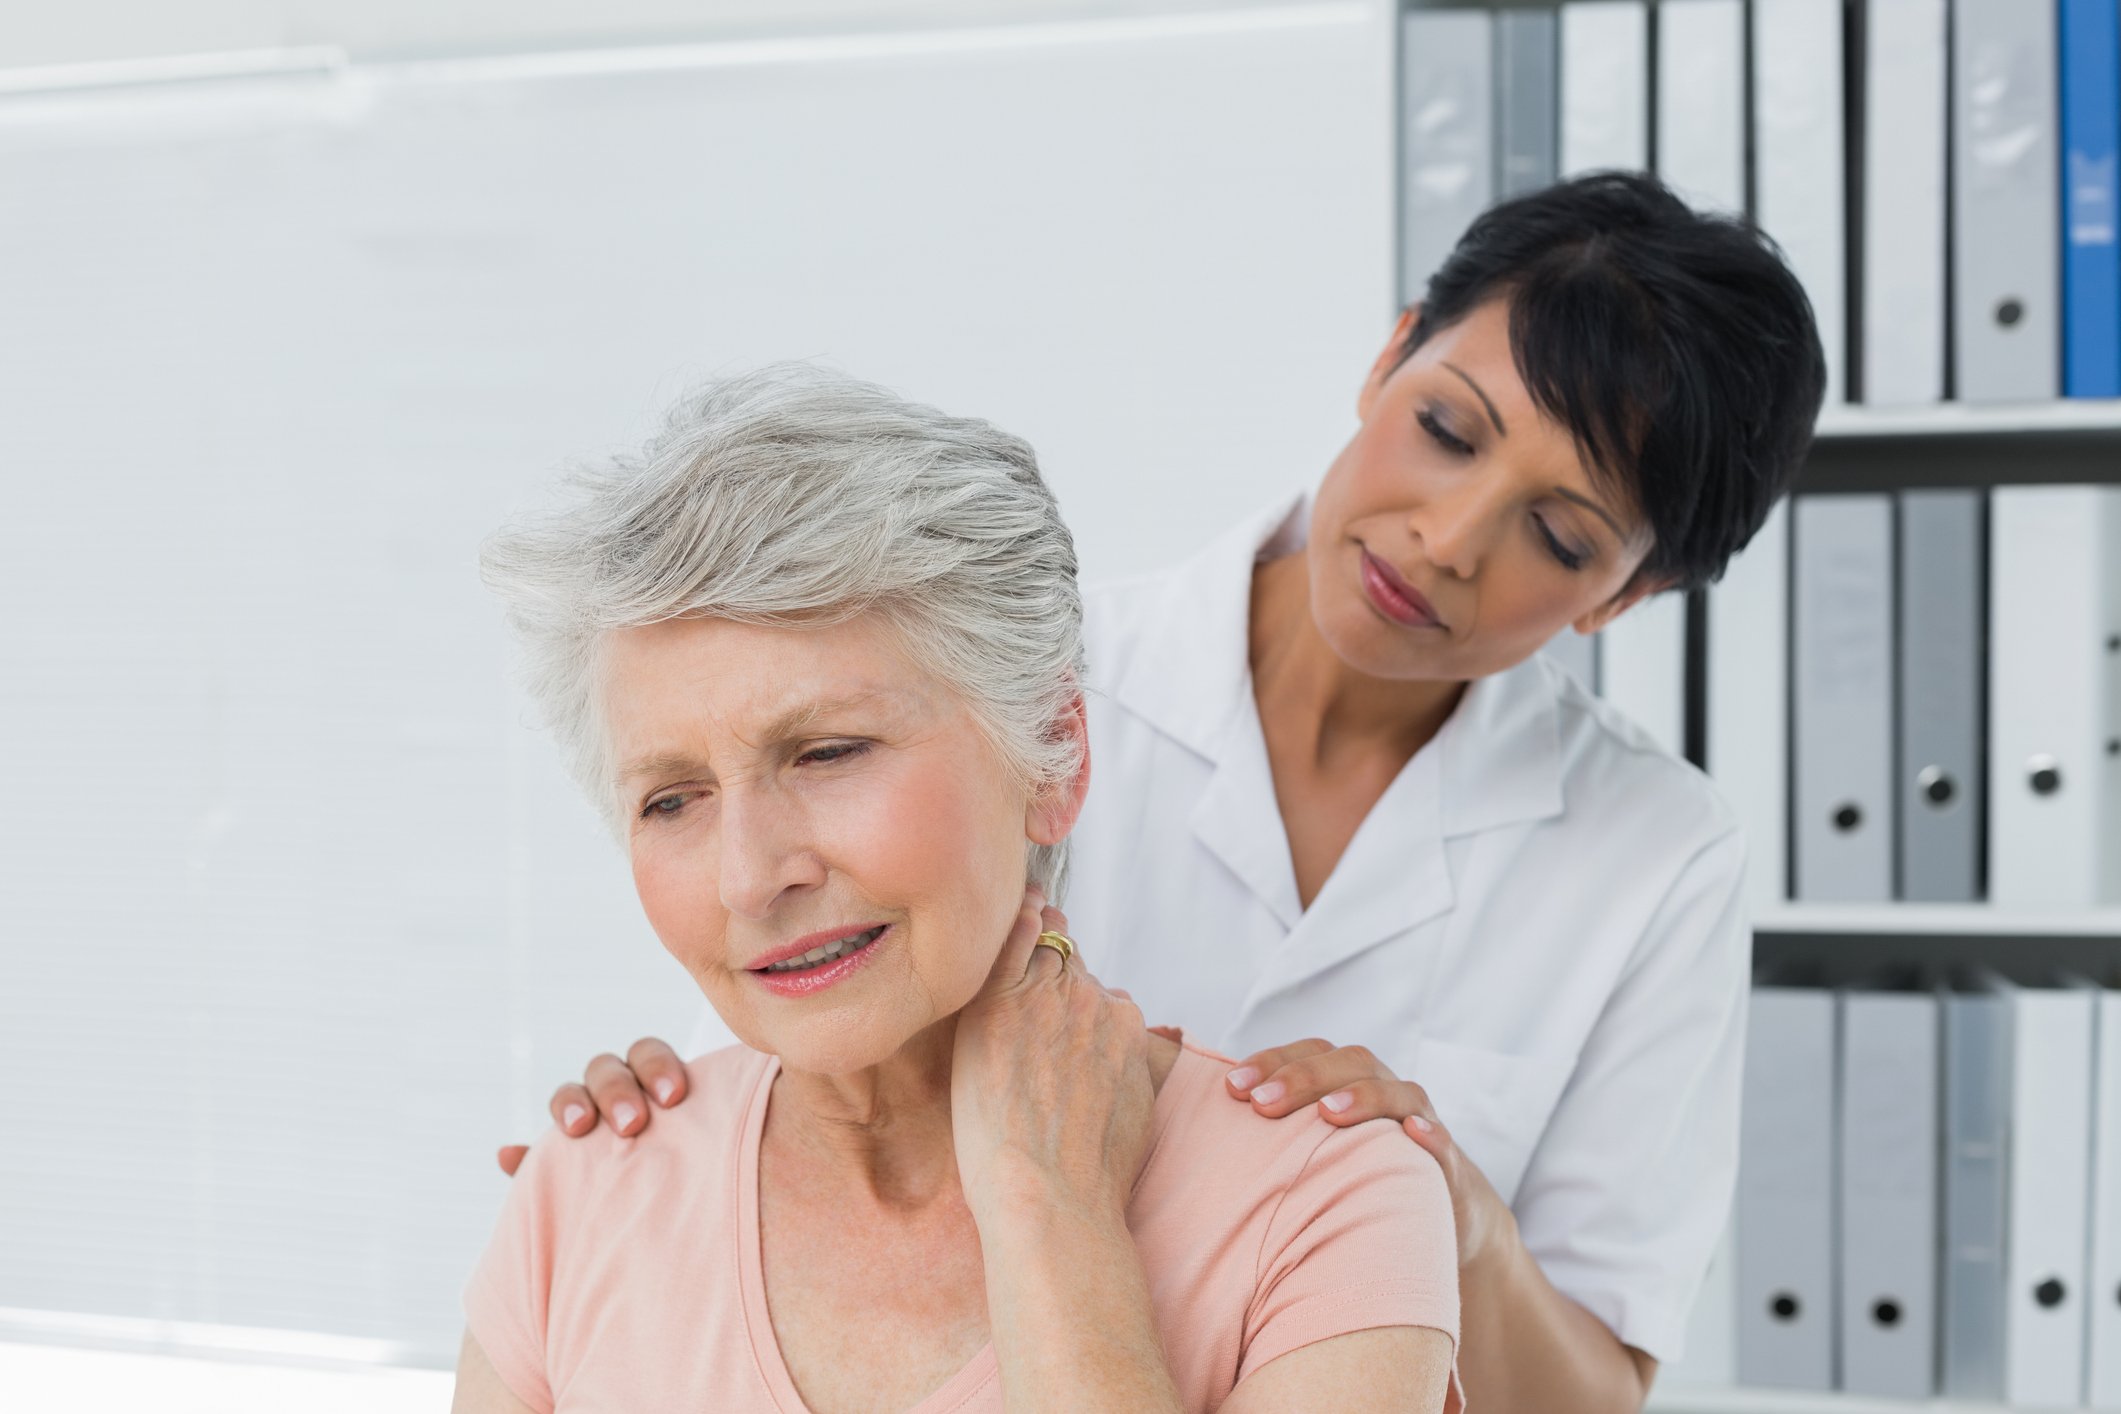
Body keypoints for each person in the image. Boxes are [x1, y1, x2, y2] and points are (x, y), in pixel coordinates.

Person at [512, 172, 1828, 1412]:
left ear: (1626, 595)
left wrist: (1449, 1210)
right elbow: (794, 944)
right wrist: (665, 1151)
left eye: (1559, 533)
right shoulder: (1014, 674)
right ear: (1390, 354)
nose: (1447, 537)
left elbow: (1593, 1386)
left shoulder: (1654, 856)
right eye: (1445, 429)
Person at [455, 366, 1464, 1413]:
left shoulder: (1330, 1209)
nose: (751, 878)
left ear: (1054, 758)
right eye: (672, 799)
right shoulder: (579, 1200)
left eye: (827, 752)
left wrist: (1051, 1215)